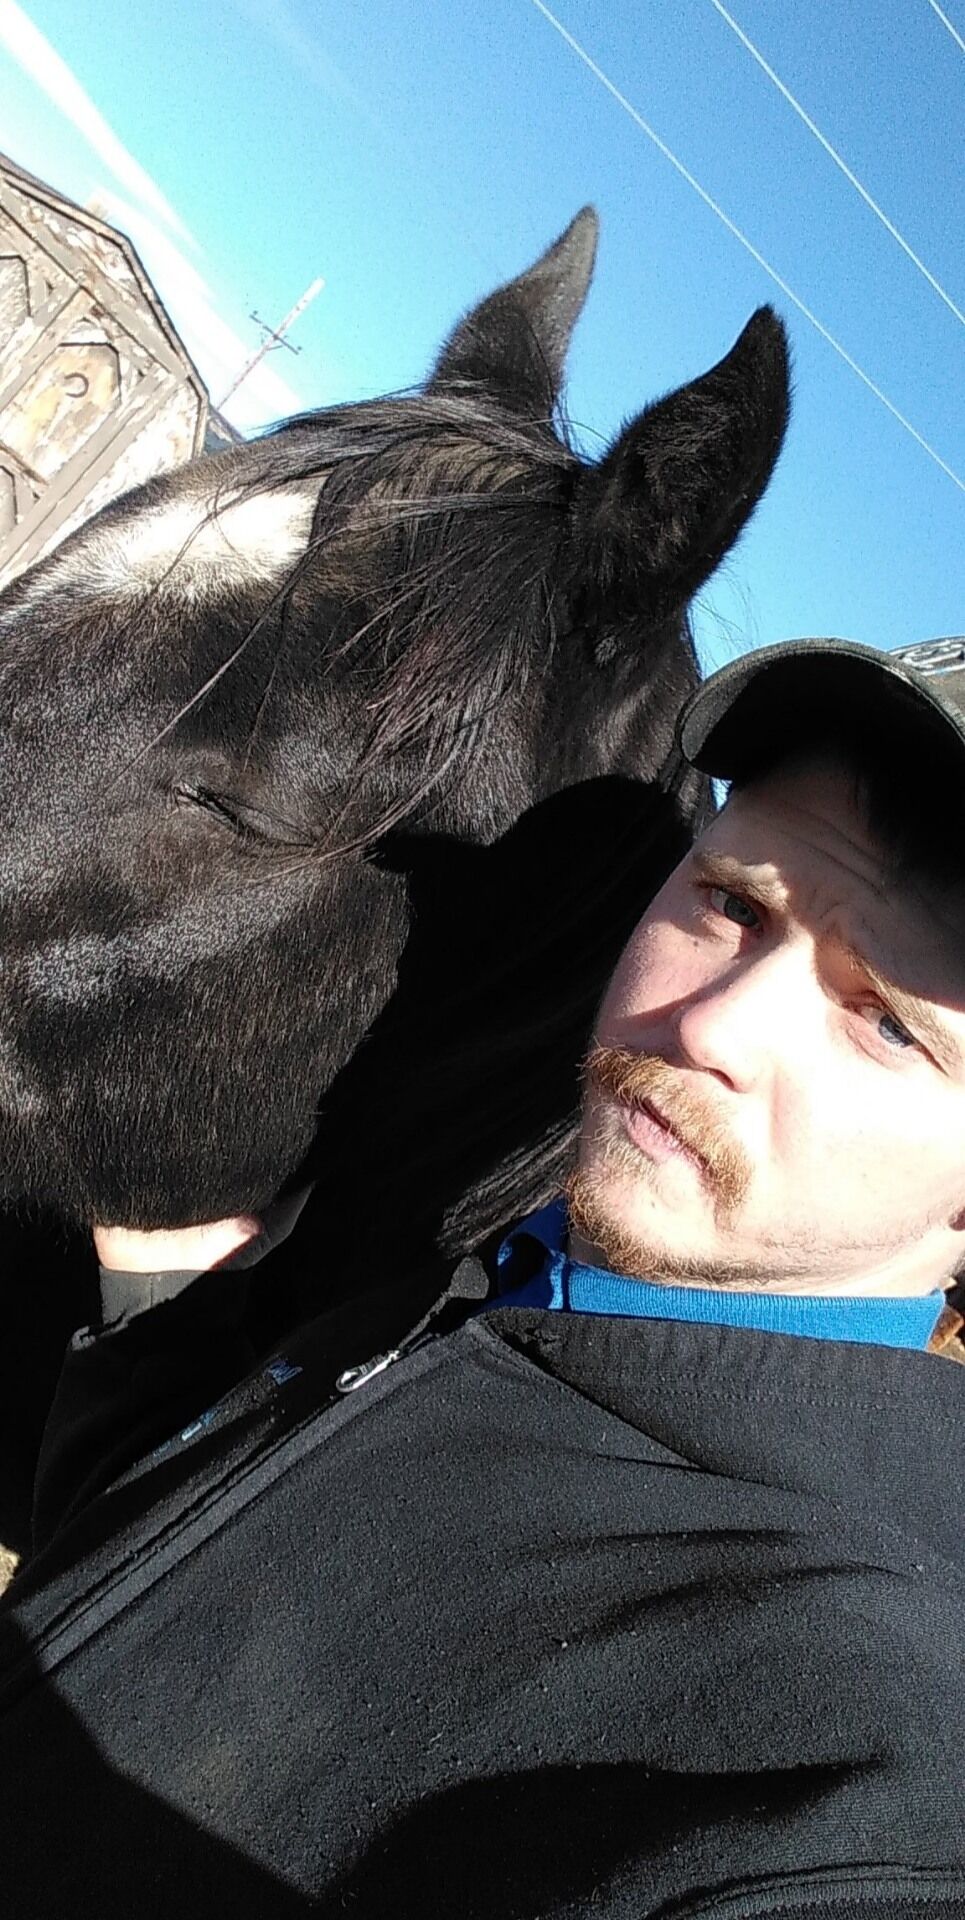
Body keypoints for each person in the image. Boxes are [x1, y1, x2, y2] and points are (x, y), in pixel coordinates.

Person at [1, 637, 964, 1920]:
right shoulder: (505, 1269)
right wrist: (160, 1324)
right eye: (734, 906)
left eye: (888, 1021)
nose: (707, 1027)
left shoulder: (850, 1737)